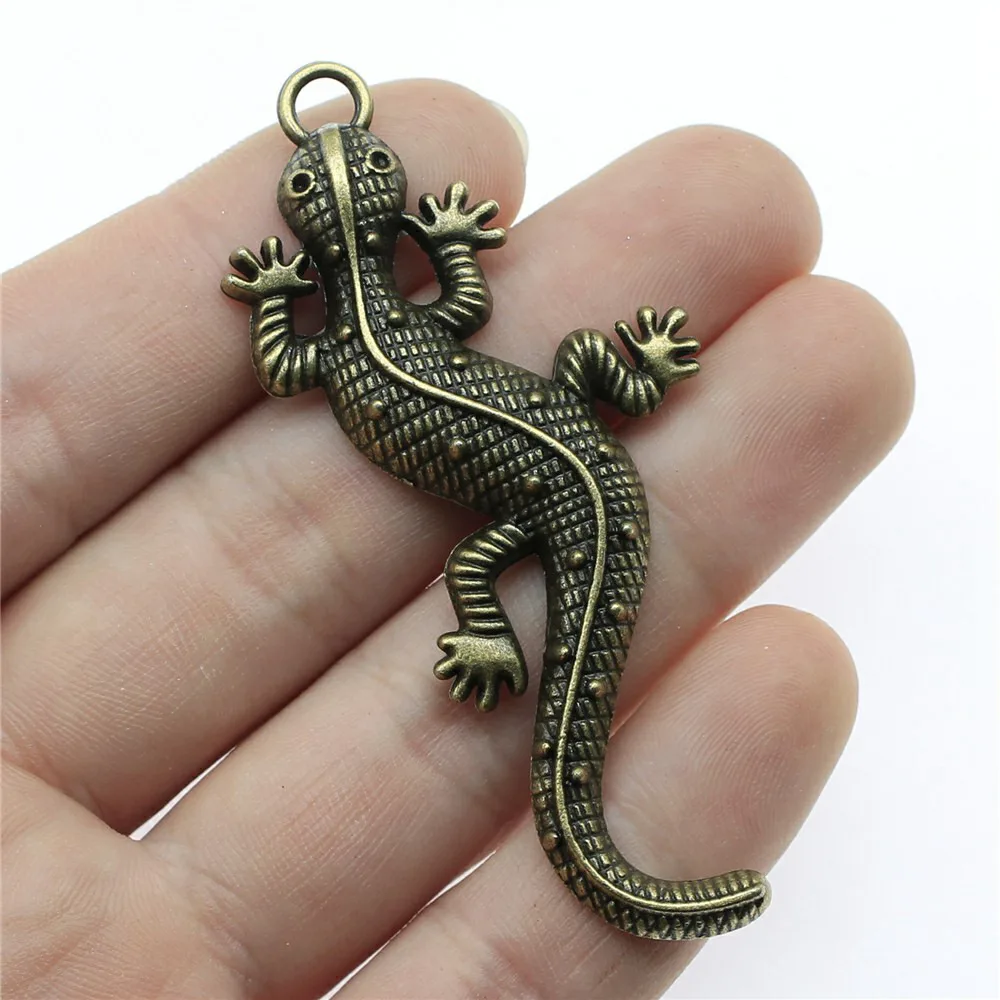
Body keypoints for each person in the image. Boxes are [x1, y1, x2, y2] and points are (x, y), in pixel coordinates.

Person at [1, 78, 913, 998]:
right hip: (576, 449)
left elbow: (282, 364)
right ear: (384, 218)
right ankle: (633, 390)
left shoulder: (339, 348)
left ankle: (499, 635)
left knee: (481, 557)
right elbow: (456, 304)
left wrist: (277, 295)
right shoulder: (403, 325)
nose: (337, 172)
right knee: (577, 364)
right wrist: (451, 250)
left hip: (570, 482)